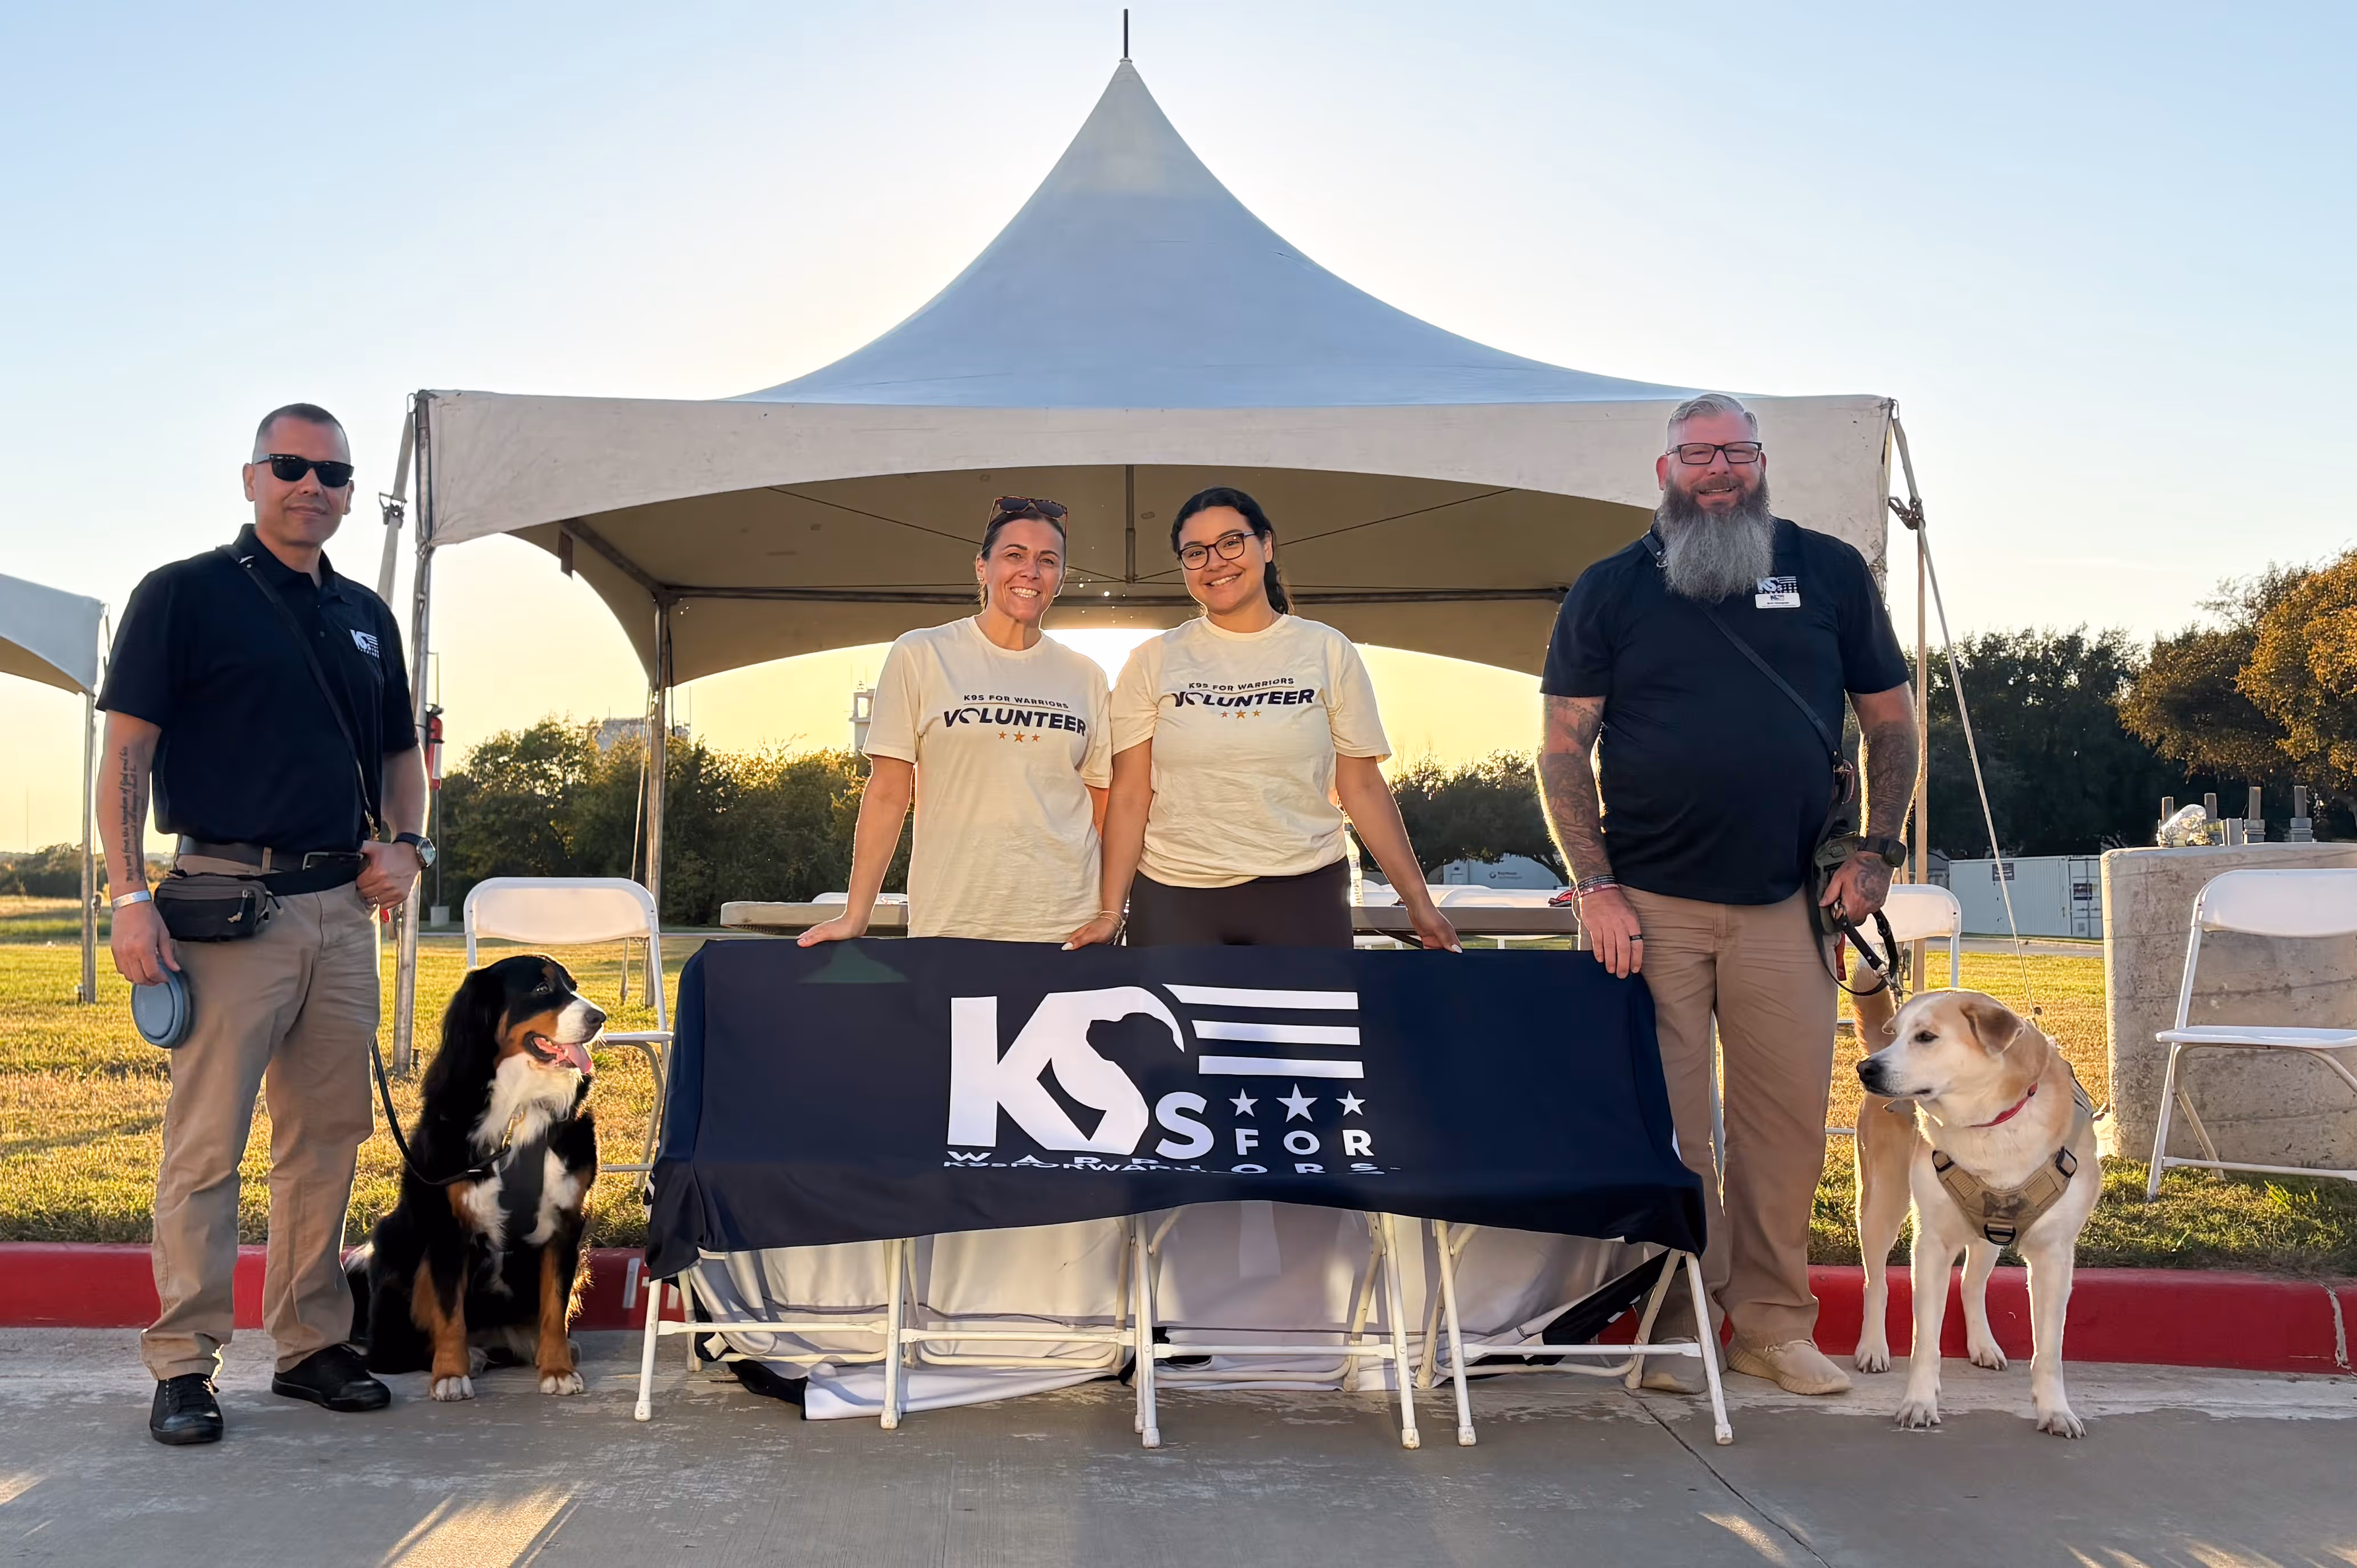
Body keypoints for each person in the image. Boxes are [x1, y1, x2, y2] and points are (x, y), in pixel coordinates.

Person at [1537, 392, 1917, 1397]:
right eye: (1697, 454)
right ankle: (1674, 1318)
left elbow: (1891, 722)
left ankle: (1774, 1326)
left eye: (1736, 452)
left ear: (1761, 464)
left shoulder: (1829, 570)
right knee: (1667, 1131)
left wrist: (1875, 850)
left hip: (1786, 908)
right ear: (1664, 471)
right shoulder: (1611, 586)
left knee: (1783, 1127)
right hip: (1646, 907)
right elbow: (1563, 746)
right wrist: (1595, 886)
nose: (1718, 470)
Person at [99, 403, 431, 1444]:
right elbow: (125, 754)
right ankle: (184, 1360)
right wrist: (125, 893)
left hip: (342, 910)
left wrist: (407, 845)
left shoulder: (369, 612)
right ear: (252, 477)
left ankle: (310, 1342)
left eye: (334, 474)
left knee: (328, 1135)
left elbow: (399, 757)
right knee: (206, 1145)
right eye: (291, 466)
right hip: (223, 902)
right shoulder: (183, 595)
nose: (313, 487)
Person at [1070, 486, 1458, 953]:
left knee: (1304, 1029)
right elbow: (1130, 796)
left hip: (1304, 896)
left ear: (1266, 546)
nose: (1215, 561)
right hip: (1176, 900)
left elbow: (1362, 787)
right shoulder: (1152, 661)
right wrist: (1111, 912)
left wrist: (1417, 901)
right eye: (1196, 553)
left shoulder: (1326, 650)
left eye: (1231, 542)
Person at [800, 496, 1110, 948]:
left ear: (1061, 579)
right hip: (953, 919)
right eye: (1014, 556)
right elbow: (888, 793)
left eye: (1048, 561)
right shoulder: (922, 654)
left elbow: (1101, 802)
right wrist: (856, 914)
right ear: (982, 568)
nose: (1031, 571)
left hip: (1066, 927)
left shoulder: (1086, 675)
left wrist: (1106, 910)